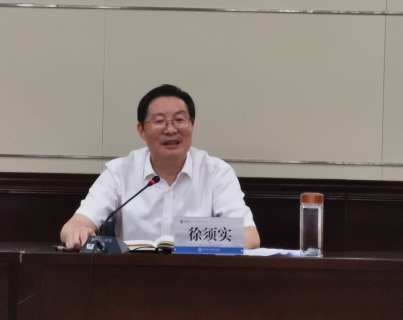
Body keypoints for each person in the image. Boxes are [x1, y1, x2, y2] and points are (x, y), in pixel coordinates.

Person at [60, 84, 260, 250]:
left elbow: (250, 237)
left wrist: (190, 241)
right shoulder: (119, 172)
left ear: (192, 125)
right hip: (132, 276)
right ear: (141, 130)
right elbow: (73, 226)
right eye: (159, 121)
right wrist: (79, 232)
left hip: (199, 276)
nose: (171, 129)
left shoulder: (216, 173)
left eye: (180, 120)